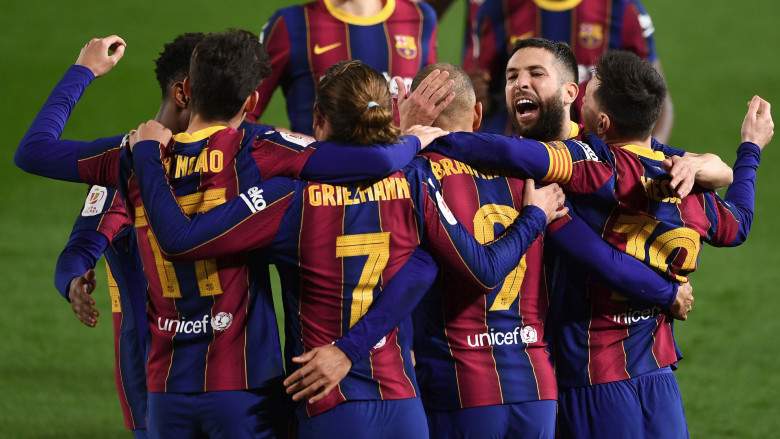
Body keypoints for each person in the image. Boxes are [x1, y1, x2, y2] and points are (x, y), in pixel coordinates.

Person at [14, 30, 439, 439]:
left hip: (165, 387)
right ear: (252, 101)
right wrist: (410, 140)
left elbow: (33, 151)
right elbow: (372, 164)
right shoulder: (260, 150)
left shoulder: (131, 154)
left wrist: (84, 69)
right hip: (245, 387)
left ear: (187, 89)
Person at [128, 59, 566, 438]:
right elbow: (426, 267)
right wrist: (533, 216)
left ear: (318, 119)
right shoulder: (412, 181)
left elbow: (185, 239)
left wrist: (148, 156)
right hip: (403, 403)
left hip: (327, 401)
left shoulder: (289, 197)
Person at [422, 50, 772, 438]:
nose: (521, 83)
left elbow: (509, 153)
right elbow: (738, 223)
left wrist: (430, 138)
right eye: (512, 75)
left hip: (589, 372)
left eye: (588, 94)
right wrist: (749, 149)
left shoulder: (594, 166)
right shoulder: (683, 182)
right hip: (656, 373)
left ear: (596, 116)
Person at [398, 62, 689, 439]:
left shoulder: (413, 176)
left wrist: (403, 138)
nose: (521, 84)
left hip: (457, 384)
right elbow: (604, 252)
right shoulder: (538, 176)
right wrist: (721, 161)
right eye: (512, 76)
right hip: (536, 386)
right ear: (478, 114)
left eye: (535, 74)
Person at [51, 32, 204, 439]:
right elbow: (79, 250)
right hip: (154, 374)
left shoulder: (225, 161)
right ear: (185, 93)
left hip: (227, 370)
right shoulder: (125, 169)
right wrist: (73, 282)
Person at [463, 0, 673, 141]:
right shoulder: (496, 8)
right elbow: (479, 94)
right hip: (514, 161)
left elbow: (659, 101)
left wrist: (642, 164)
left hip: (595, 163)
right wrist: (476, 95)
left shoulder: (624, 9)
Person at [248, 0, 439, 134]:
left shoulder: (421, 17)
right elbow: (241, 114)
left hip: (401, 178)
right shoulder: (291, 23)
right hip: (319, 178)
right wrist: (283, 142)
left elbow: (434, 112)